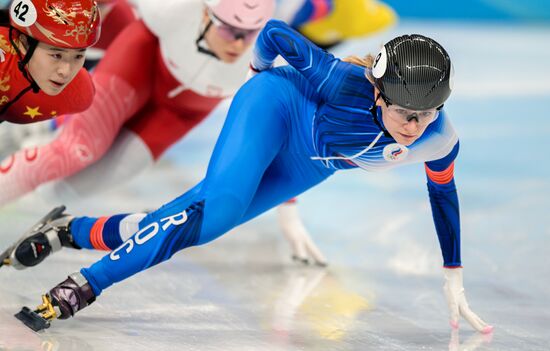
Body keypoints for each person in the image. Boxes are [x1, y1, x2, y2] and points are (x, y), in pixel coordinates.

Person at [5, 19, 493, 333]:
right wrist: (258, 71)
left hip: (311, 164)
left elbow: (443, 194)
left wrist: (454, 273)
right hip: (274, 107)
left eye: (429, 113)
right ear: (379, 93)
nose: (415, 128)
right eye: (406, 112)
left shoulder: (438, 138)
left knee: (194, 219)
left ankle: (69, 230)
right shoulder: (339, 80)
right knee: (214, 213)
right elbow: (276, 33)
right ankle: (82, 286)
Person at [0, 0, 100, 123]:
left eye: (78, 56)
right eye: (57, 55)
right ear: (24, 43)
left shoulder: (79, 92)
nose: (66, 72)